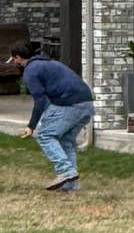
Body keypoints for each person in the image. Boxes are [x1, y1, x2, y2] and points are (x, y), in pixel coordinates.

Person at [6, 44, 97, 196]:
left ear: (18, 58)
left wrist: (31, 126)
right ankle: (71, 186)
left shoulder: (30, 71)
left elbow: (40, 100)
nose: (14, 63)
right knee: (65, 141)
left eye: (14, 60)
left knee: (46, 136)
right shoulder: (51, 63)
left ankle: (66, 171)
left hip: (70, 103)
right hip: (87, 104)